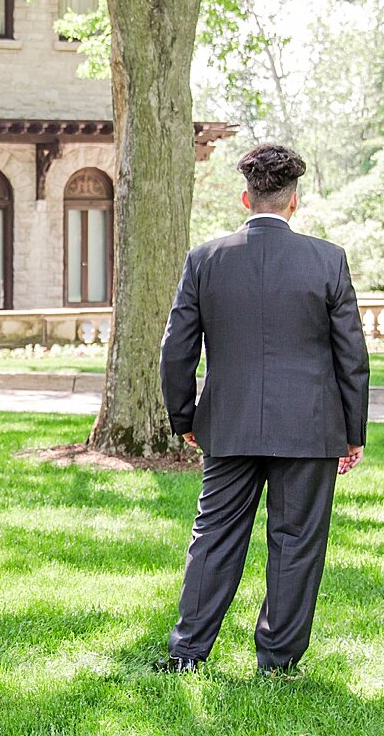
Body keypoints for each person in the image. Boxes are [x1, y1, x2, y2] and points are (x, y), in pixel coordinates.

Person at [156, 144, 369, 676]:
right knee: (296, 543)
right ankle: (277, 663)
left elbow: (176, 347)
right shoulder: (328, 260)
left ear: (245, 197)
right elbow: (352, 355)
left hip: (228, 423)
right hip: (311, 427)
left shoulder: (205, 260)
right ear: (294, 201)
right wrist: (352, 430)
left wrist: (184, 417)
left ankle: (187, 653)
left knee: (215, 537)